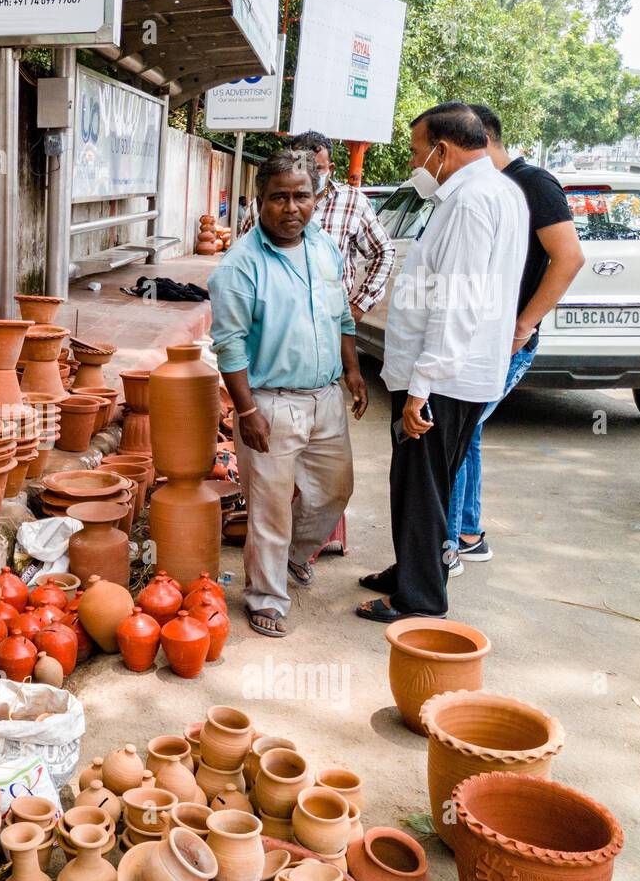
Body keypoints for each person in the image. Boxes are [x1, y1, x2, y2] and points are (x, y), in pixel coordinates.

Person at [358, 103, 527, 622]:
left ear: (443, 150)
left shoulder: (472, 202)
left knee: (422, 486)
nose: (415, 163)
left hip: (445, 378)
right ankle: (411, 567)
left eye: (416, 152)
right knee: (425, 481)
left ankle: (419, 597)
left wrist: (421, 386)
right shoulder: (499, 193)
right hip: (460, 372)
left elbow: (457, 304)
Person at [210, 151, 368, 637]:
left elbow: (341, 315)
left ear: (316, 199)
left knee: (334, 490)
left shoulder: (323, 248)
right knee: (270, 507)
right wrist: (247, 409)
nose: (291, 206)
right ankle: (266, 596)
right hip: (270, 402)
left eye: (301, 195)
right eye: (279, 196)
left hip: (325, 397)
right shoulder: (240, 266)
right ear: (260, 201)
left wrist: (353, 370)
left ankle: (295, 556)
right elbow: (229, 344)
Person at [443, 104, 584, 576]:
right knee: (469, 431)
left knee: (455, 431)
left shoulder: (533, 184)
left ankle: (446, 547)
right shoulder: (490, 189)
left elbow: (569, 258)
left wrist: (522, 328)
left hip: (505, 341)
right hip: (480, 337)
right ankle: (467, 532)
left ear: (477, 138)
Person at [241, 130, 396, 321]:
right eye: (303, 167)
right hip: (272, 320)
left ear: (330, 167)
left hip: (329, 321)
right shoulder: (263, 207)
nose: (309, 176)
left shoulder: (353, 202)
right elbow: (243, 262)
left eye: (317, 169)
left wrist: (359, 305)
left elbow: (384, 252)